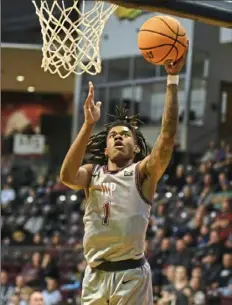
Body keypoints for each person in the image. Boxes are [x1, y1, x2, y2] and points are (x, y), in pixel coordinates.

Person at [60, 45, 188, 304]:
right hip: (95, 275)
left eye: (125, 134)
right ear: (105, 147)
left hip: (130, 275)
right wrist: (87, 126)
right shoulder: (92, 173)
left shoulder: (143, 173)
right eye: (112, 135)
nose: (118, 136)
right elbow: (66, 176)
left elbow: (167, 136)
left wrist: (172, 81)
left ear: (137, 146)